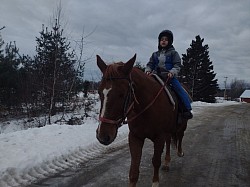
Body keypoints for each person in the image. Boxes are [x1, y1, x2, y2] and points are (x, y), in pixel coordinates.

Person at [145, 29, 193, 119]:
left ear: (169, 42)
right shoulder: (154, 54)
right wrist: (148, 70)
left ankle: (187, 109)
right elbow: (150, 64)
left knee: (179, 89)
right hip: (155, 76)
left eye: (166, 39)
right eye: (161, 39)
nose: (163, 41)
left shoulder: (173, 53)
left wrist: (172, 72)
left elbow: (177, 65)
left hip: (169, 77)